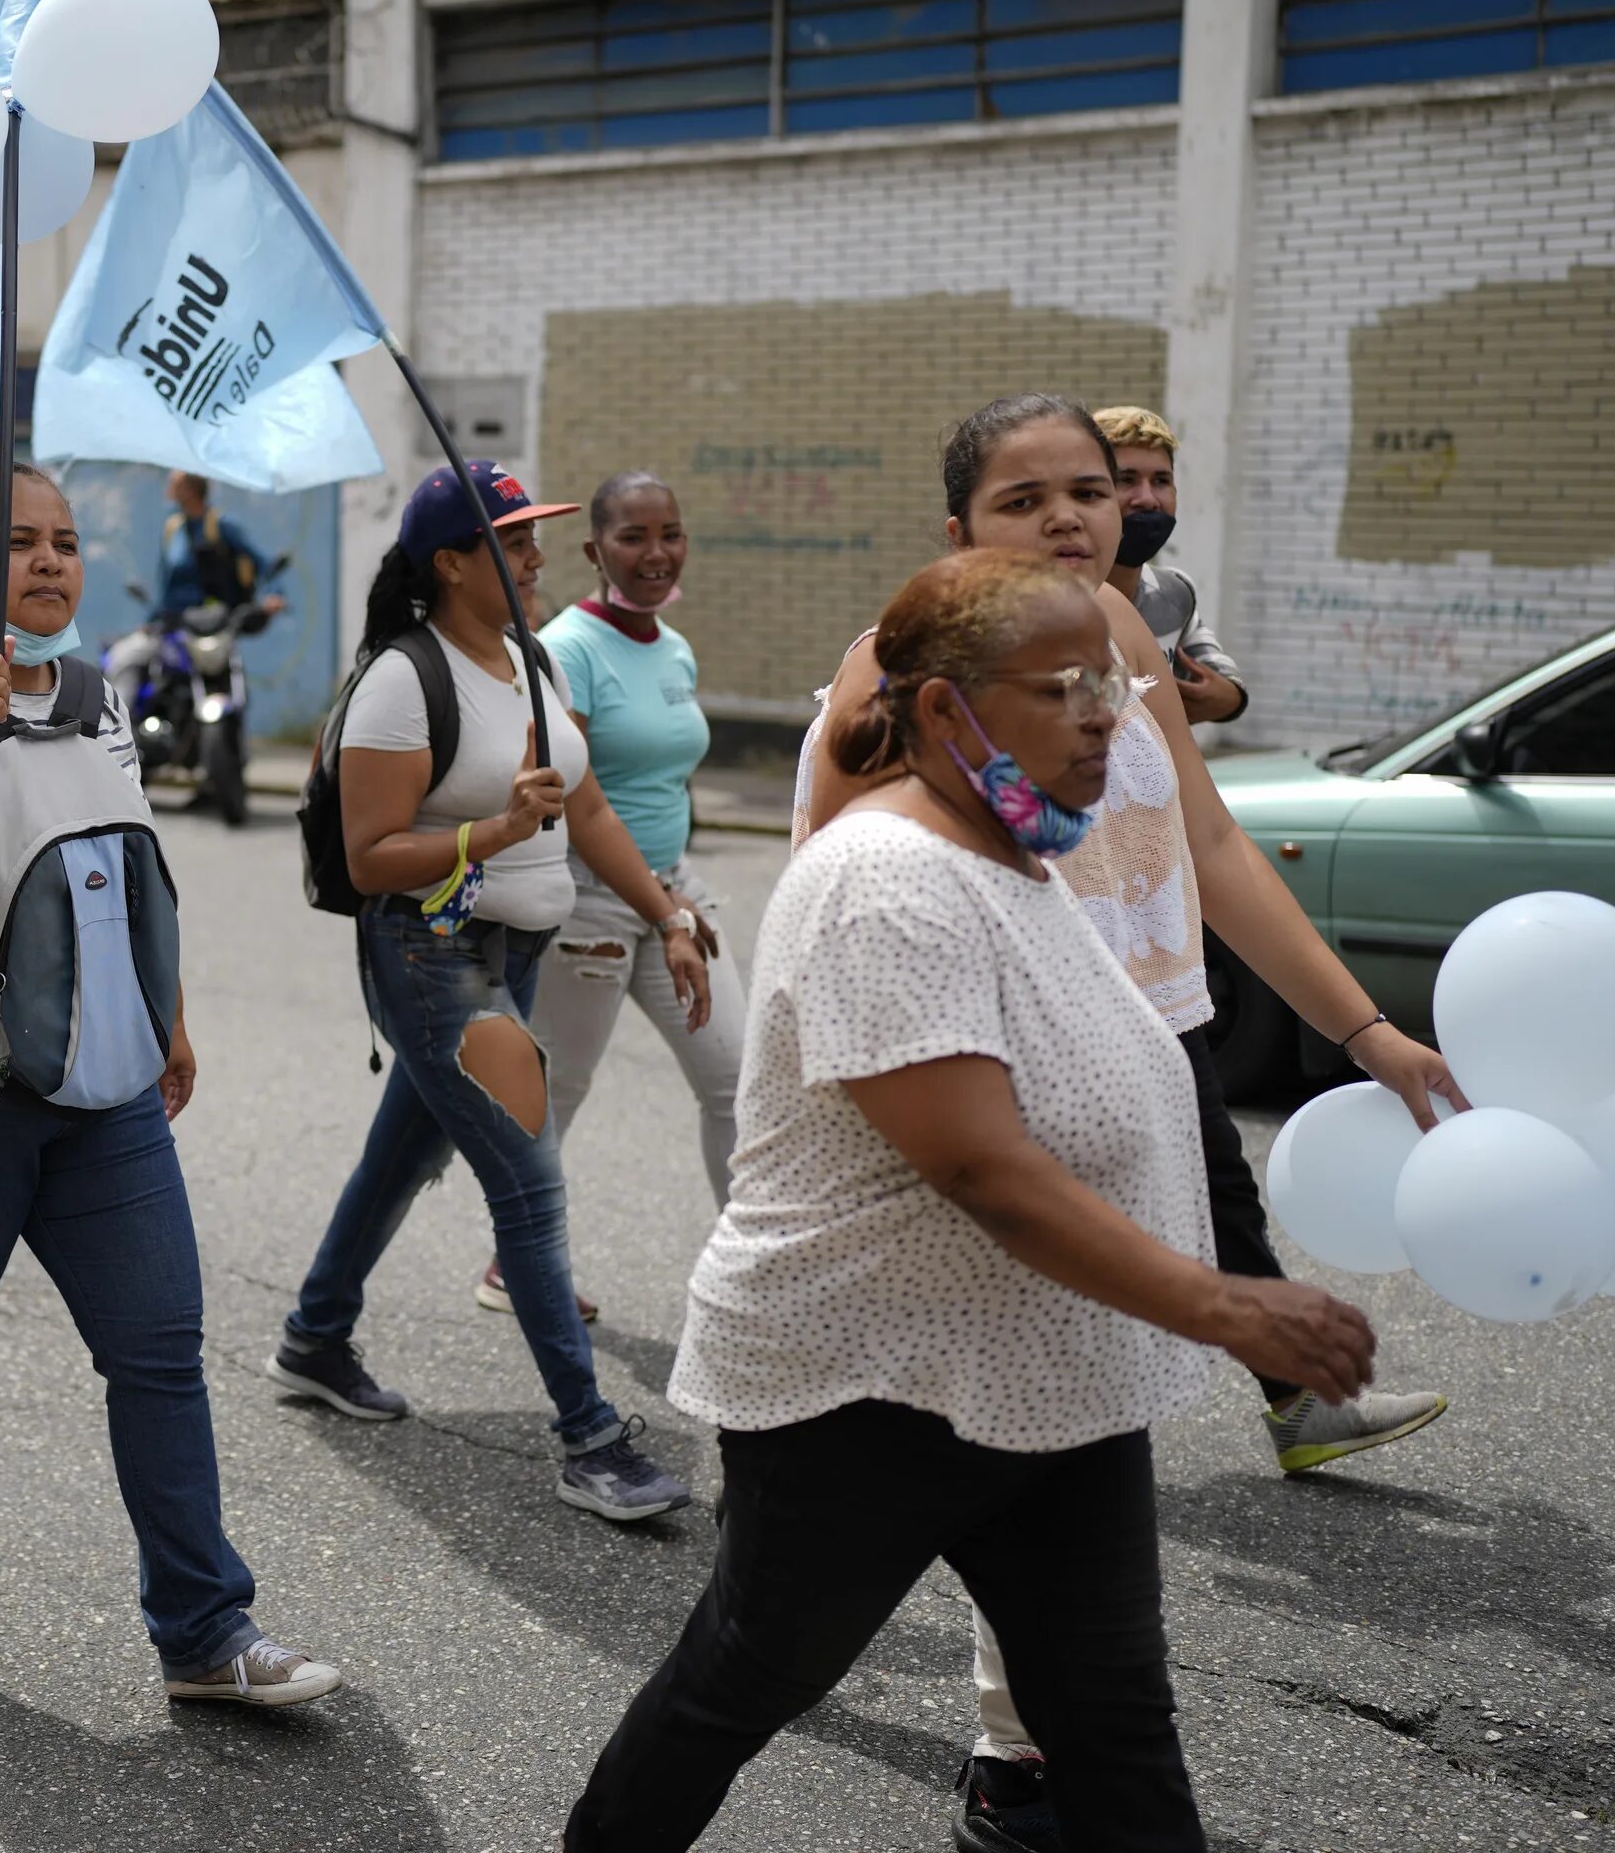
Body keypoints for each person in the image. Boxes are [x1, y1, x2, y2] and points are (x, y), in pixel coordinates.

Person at [566, 550, 1383, 1852]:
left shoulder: (1016, 853)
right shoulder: (889, 878)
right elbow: (980, 1169)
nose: (1110, 716)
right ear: (945, 713)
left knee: (1112, 1724)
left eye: (1114, 683)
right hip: (866, 1386)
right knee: (743, 1681)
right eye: (1064, 689)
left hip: (1053, 1375)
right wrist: (1229, 1307)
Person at [796, 394, 1455, 1851]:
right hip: (1009, 1107)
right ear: (957, 528)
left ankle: (1023, 1760)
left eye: (1088, 491)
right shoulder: (897, 676)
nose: (1071, 519)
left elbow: (1207, 847)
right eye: (1026, 500)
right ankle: (1014, 1758)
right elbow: (837, 912)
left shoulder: (1125, 640)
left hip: (1146, 1078)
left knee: (1060, 1445)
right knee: (1019, 1458)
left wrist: (1367, 1034)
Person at [0, 459, 341, 1708]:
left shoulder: (99, 696)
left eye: (65, 543)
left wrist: (167, 1016)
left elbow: (122, 868)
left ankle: (206, 1631)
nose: (50, 561)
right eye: (19, 543)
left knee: (158, 1345)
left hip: (95, 1075)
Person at [268, 461, 708, 1525]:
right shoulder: (398, 680)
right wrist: (496, 831)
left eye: (533, 536)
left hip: (513, 952)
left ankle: (316, 1336)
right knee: (529, 1176)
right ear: (450, 563)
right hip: (432, 954)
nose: (534, 555)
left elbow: (590, 803)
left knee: (403, 1151)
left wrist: (668, 914)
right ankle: (590, 1438)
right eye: (510, 539)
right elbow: (373, 858)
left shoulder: (527, 660)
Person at [496, 470, 742, 1319]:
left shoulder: (672, 646)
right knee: (556, 1094)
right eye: (633, 538)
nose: (656, 552)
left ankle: (760, 1269)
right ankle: (519, 1266)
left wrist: (674, 899)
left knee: (734, 1081)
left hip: (675, 891)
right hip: (594, 903)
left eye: (669, 533)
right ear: (596, 551)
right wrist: (654, 907)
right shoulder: (568, 650)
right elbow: (582, 802)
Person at [1096, 405, 1247, 726]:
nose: (1147, 499)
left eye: (1161, 480)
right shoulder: (1049, 603)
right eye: (1127, 480)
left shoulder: (1175, 591)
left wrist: (1230, 698)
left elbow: (1220, 677)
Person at [103, 471, 283, 719]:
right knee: (123, 657)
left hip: (211, 626)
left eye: (174, 484)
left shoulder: (221, 525)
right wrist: (152, 618)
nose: (168, 488)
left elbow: (264, 565)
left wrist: (274, 594)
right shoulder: (173, 528)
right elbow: (167, 584)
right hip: (174, 625)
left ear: (189, 490)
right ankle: (117, 728)